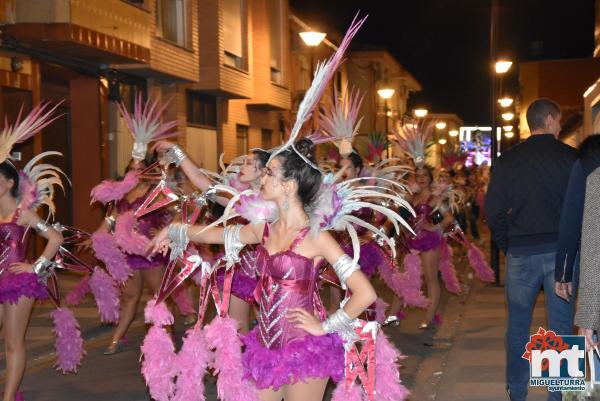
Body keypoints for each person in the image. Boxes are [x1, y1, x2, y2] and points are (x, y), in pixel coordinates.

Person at [151, 139, 378, 401]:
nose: (262, 179)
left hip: (305, 347)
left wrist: (325, 327)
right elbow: (214, 235)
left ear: (288, 186)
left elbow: (365, 293)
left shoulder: (316, 237)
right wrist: (174, 229)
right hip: (266, 346)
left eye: (269, 173)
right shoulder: (263, 229)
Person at [485, 98, 576, 401]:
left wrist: (507, 245)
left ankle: (518, 391)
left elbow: (493, 210)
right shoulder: (572, 159)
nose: (561, 125)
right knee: (560, 325)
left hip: (521, 252)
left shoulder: (508, 161)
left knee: (518, 326)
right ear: (550, 119)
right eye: (560, 120)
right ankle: (557, 394)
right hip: (562, 256)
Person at [155, 140, 271, 333]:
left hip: (270, 277)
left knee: (270, 335)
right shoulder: (239, 200)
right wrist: (178, 151)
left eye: (249, 163)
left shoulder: (275, 204)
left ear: (263, 171)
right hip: (242, 272)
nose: (242, 166)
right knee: (236, 331)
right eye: (243, 162)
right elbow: (203, 183)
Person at [0, 161, 64, 401]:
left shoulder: (23, 213)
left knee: (13, 342)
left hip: (18, 282)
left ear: (9, 183)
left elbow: (55, 238)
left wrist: (36, 267)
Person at [406, 165, 454, 329]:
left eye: (424, 175)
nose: (421, 178)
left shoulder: (435, 198)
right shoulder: (412, 198)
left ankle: (429, 317)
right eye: (418, 175)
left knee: (430, 279)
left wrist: (433, 226)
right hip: (412, 241)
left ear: (430, 178)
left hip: (429, 242)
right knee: (406, 278)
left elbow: (448, 218)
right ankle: (393, 314)